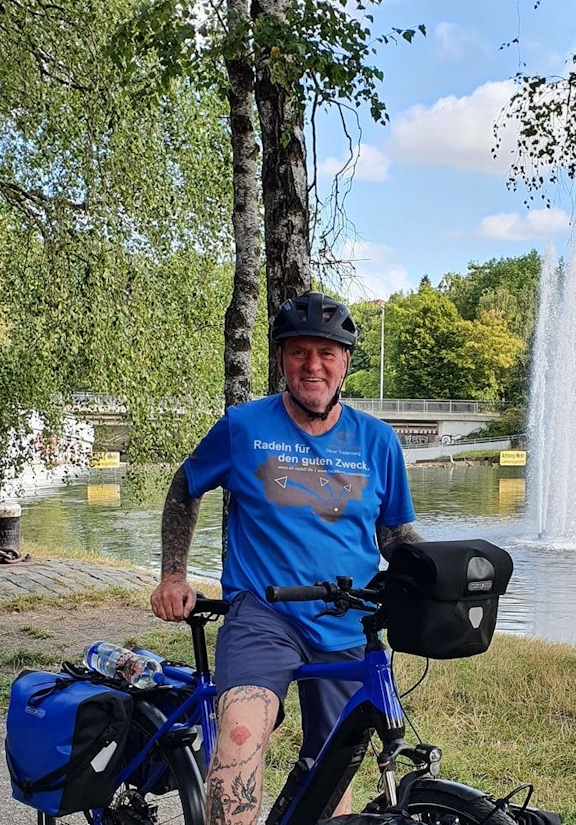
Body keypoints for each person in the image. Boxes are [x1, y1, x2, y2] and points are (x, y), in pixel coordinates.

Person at [150, 290, 421, 825]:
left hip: (349, 621)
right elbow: (185, 485)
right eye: (299, 352)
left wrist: (433, 575)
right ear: (281, 360)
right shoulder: (244, 427)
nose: (313, 365)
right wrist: (173, 574)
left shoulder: (378, 441)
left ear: (345, 362)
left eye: (327, 353)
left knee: (333, 778)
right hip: (264, 614)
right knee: (240, 736)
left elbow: (394, 533)